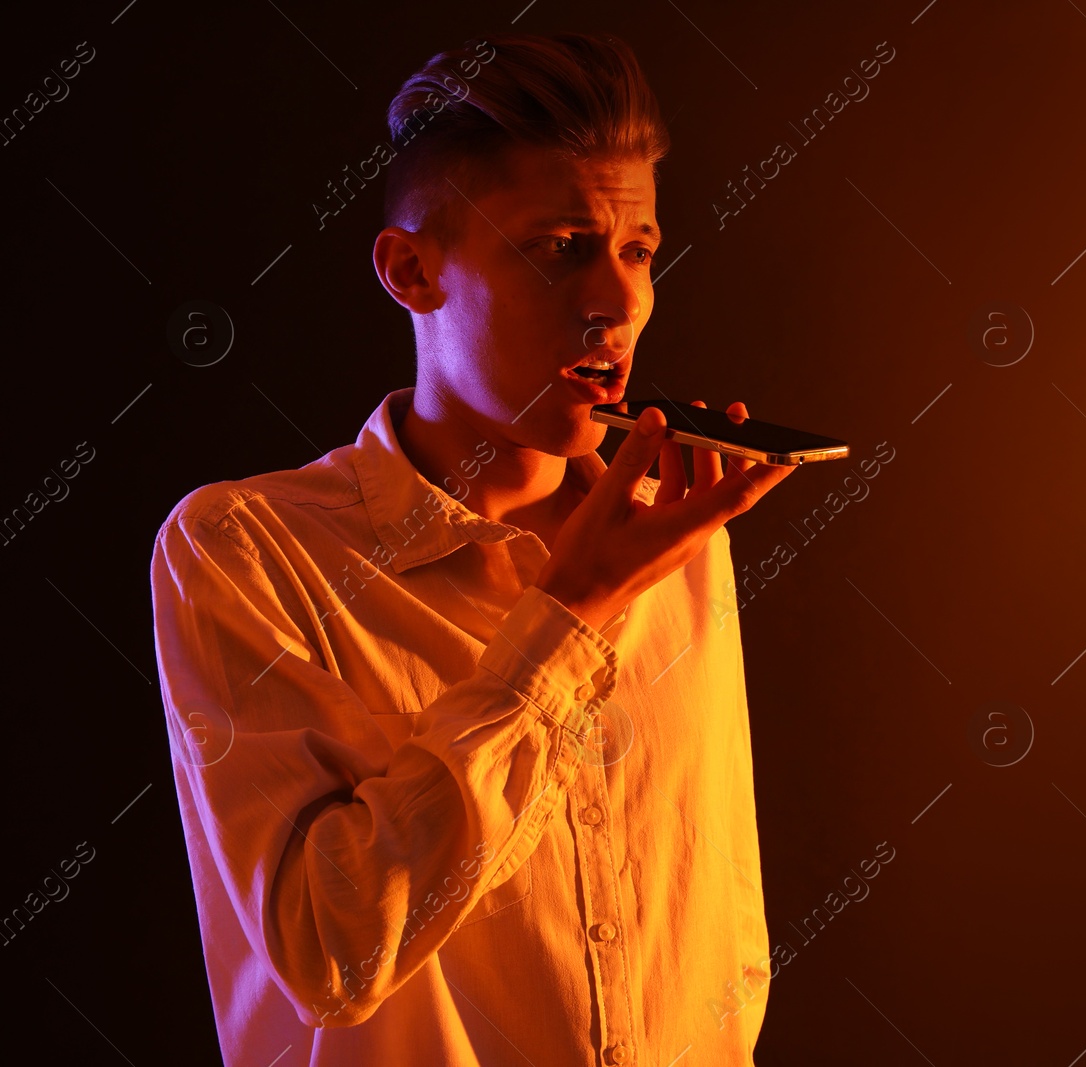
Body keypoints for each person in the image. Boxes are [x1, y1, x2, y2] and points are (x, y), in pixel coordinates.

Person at [151, 30, 794, 1066]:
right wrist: (566, 614)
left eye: (637, 251)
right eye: (561, 247)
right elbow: (332, 955)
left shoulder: (679, 542)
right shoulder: (242, 548)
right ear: (412, 269)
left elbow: (712, 919)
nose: (620, 303)